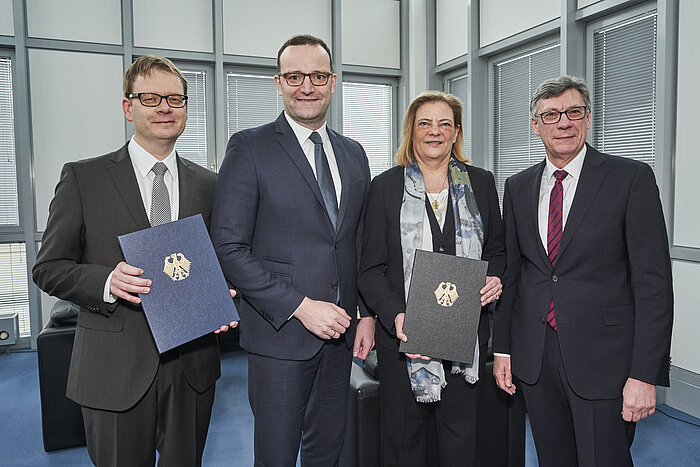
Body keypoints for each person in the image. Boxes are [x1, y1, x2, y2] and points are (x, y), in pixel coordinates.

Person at [32, 55, 236, 467]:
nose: (164, 107)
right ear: (128, 107)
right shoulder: (83, 178)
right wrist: (107, 281)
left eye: (175, 99)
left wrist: (223, 296)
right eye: (150, 97)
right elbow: (49, 267)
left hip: (191, 366)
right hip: (114, 368)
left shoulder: (212, 185)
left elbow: (219, 260)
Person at [210, 34, 374, 466]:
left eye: (318, 76)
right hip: (279, 337)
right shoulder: (249, 147)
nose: (307, 86)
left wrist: (365, 313)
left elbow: (356, 241)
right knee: (277, 456)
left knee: (327, 452)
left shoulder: (354, 154)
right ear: (278, 83)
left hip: (340, 338)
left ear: (333, 82)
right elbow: (228, 247)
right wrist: (301, 306)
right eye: (295, 76)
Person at [492, 75, 674, 466]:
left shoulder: (630, 179)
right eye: (551, 114)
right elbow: (514, 275)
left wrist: (644, 375)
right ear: (535, 124)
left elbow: (653, 285)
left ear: (588, 119)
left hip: (606, 363)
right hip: (536, 360)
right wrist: (503, 349)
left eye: (574, 112)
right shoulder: (518, 186)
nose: (564, 122)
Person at [358, 91, 506, 467]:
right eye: (425, 123)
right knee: (403, 444)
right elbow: (370, 269)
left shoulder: (482, 184)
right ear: (412, 131)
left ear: (456, 132)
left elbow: (499, 252)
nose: (434, 132)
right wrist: (395, 315)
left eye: (444, 124)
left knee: (460, 444)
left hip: (465, 339)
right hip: (404, 339)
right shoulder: (386, 187)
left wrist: (495, 278)